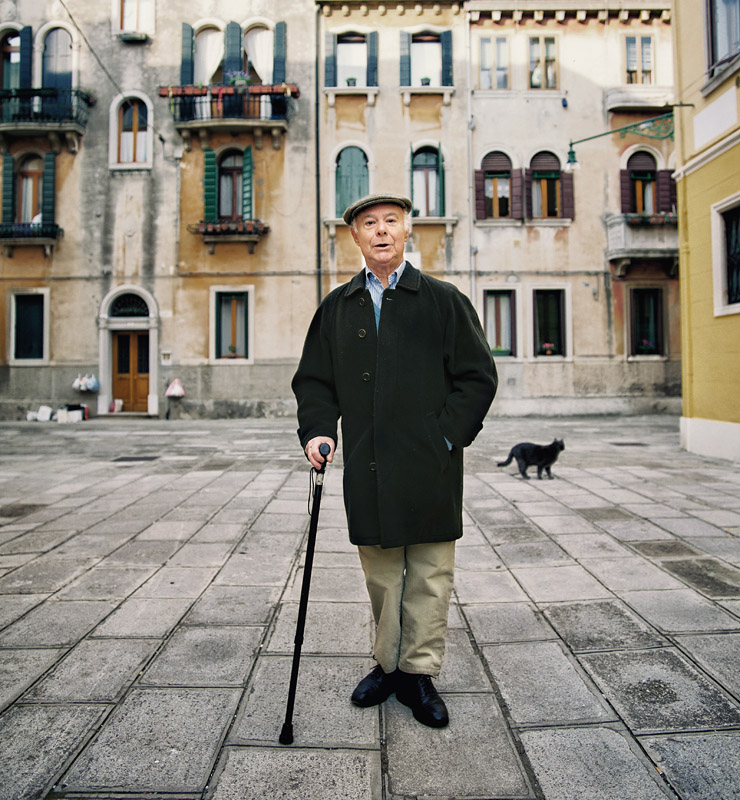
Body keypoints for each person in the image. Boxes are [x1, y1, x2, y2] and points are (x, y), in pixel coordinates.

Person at [292, 192, 497, 728]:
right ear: (355, 238)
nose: (380, 231)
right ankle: (387, 666)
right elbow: (315, 381)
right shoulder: (337, 307)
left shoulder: (442, 299)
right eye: (369, 224)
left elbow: (477, 377)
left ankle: (419, 673)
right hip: (369, 462)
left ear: (409, 233)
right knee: (383, 574)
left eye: (390, 222)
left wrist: (446, 439)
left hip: (430, 463)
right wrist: (317, 431)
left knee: (430, 571)